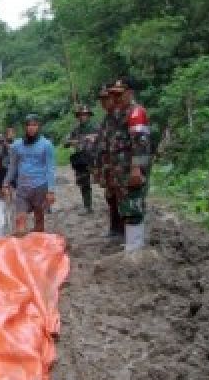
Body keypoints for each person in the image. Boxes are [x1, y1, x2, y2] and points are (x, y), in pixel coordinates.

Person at [98, 76, 153, 254]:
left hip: (132, 170)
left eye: (119, 94)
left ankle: (135, 248)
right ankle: (130, 244)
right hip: (118, 172)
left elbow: (141, 144)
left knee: (134, 205)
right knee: (125, 207)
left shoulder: (136, 113)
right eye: (113, 94)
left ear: (129, 93)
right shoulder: (116, 115)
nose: (116, 98)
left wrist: (137, 169)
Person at [3, 114, 56, 235]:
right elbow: (13, 167)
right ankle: (21, 248)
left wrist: (51, 191)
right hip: (22, 188)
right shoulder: (17, 145)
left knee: (39, 223)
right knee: (20, 222)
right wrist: (5, 183)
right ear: (25, 127)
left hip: (40, 187)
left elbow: (50, 168)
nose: (31, 128)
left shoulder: (46, 145)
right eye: (29, 125)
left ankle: (37, 249)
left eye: (34, 125)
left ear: (39, 127)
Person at [92, 85, 125, 240]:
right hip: (109, 166)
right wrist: (98, 169)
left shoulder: (122, 116)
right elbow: (100, 145)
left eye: (107, 99)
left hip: (121, 166)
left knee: (122, 198)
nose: (104, 103)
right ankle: (115, 228)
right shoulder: (107, 119)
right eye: (102, 100)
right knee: (111, 197)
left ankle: (124, 231)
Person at [64, 104, 98, 214]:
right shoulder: (76, 129)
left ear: (89, 115)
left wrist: (92, 138)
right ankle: (87, 206)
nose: (83, 117)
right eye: (81, 115)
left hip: (94, 157)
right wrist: (73, 141)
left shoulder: (95, 127)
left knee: (105, 181)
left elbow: (102, 138)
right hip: (81, 159)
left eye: (85, 115)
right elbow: (66, 142)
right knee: (83, 182)